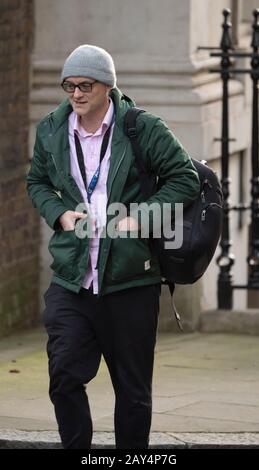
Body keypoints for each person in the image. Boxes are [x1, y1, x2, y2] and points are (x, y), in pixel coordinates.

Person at [26, 44, 200, 449]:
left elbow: (184, 179)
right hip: (73, 278)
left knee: (133, 393)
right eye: (68, 85)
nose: (76, 94)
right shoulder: (52, 129)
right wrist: (59, 213)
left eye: (85, 85)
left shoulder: (142, 127)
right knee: (64, 375)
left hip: (130, 280)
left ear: (107, 86)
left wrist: (142, 217)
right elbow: (36, 181)